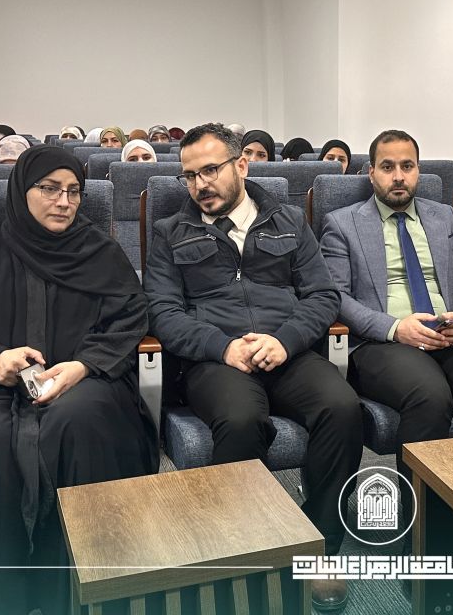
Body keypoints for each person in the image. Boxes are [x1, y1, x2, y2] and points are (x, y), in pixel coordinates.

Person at [0, 145, 159, 615]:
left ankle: (86, 593)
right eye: (49, 189)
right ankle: (15, 597)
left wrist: (84, 364)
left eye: (73, 191)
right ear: (21, 191)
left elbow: (132, 317)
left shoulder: (100, 252)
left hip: (88, 384)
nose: (64, 201)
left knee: (78, 426)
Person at [144, 123, 360, 613]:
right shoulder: (170, 232)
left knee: (342, 408)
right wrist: (222, 348)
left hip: (287, 350)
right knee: (241, 421)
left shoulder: (288, 220)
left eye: (210, 170)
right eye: (189, 176)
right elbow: (162, 312)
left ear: (241, 165)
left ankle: (319, 544)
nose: (200, 184)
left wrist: (284, 341)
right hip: (214, 359)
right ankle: (246, 551)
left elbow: (322, 295)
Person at [320, 129, 453, 540]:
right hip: (384, 342)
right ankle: (423, 534)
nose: (398, 176)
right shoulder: (342, 223)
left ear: (418, 170)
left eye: (407, 166)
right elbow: (336, 298)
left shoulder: (442, 218)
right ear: (370, 173)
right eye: (388, 167)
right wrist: (395, 327)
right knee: (430, 397)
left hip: (449, 334)